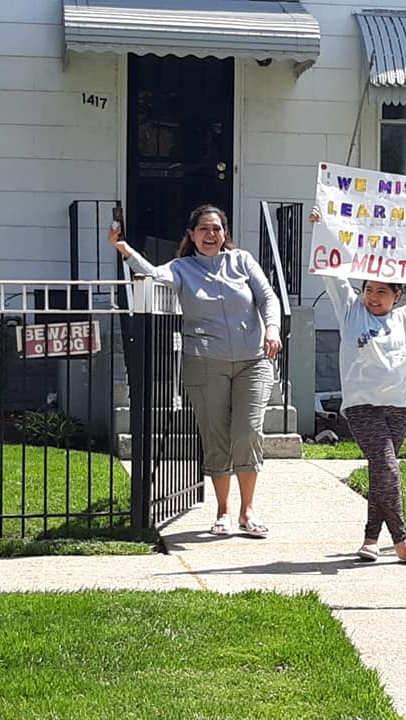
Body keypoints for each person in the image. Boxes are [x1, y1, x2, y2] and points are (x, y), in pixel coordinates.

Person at [109, 204, 282, 538]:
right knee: (216, 436)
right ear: (191, 234)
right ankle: (224, 512)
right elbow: (154, 275)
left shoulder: (242, 261)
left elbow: (268, 297)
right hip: (205, 363)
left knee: (247, 432)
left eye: (216, 229)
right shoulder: (182, 268)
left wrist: (272, 328)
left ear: (225, 233)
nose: (210, 235)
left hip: (253, 360)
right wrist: (124, 249)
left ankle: (248, 511)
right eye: (203, 229)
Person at [309, 207, 406, 565]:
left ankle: (370, 539)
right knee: (387, 466)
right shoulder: (350, 310)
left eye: (383, 291)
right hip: (361, 405)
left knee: (381, 470)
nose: (373, 297)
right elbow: (332, 275)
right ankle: (400, 539)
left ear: (398, 294)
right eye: (369, 289)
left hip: (399, 405)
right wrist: (320, 230)